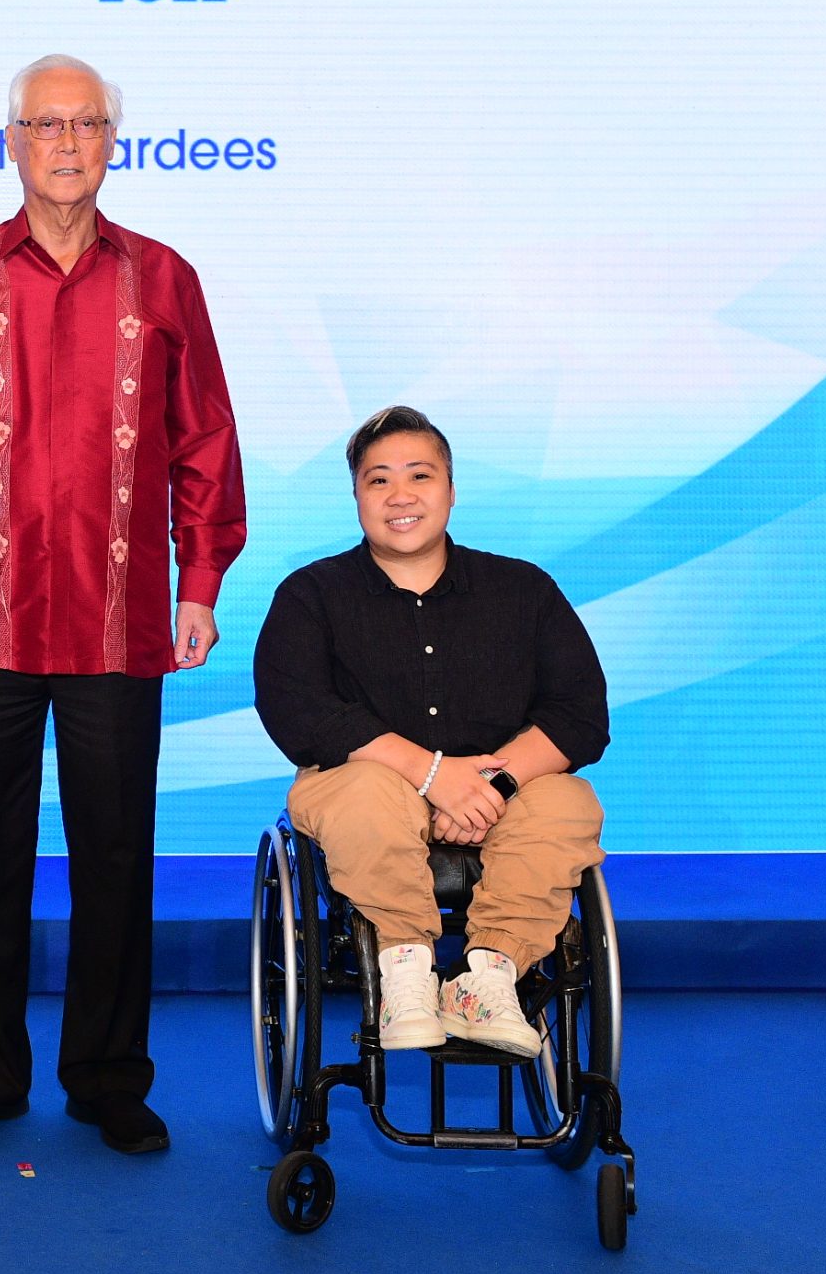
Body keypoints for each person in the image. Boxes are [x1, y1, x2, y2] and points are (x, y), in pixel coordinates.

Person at [0, 55, 247, 1155]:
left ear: (112, 142)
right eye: (48, 123)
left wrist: (200, 581)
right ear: (11, 141)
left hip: (120, 619)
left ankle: (106, 1079)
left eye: (87, 122)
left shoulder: (165, 279)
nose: (68, 142)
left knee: (114, 857)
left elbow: (205, 440)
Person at [251, 406, 609, 1057]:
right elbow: (299, 709)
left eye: (419, 475)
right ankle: (407, 974)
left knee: (568, 802)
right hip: (358, 785)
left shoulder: (523, 589)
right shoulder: (312, 594)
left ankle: (488, 978)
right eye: (378, 480)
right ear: (356, 495)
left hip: (498, 784)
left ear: (450, 487)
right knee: (368, 792)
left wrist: (490, 784)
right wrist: (433, 774)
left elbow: (580, 715)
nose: (400, 495)